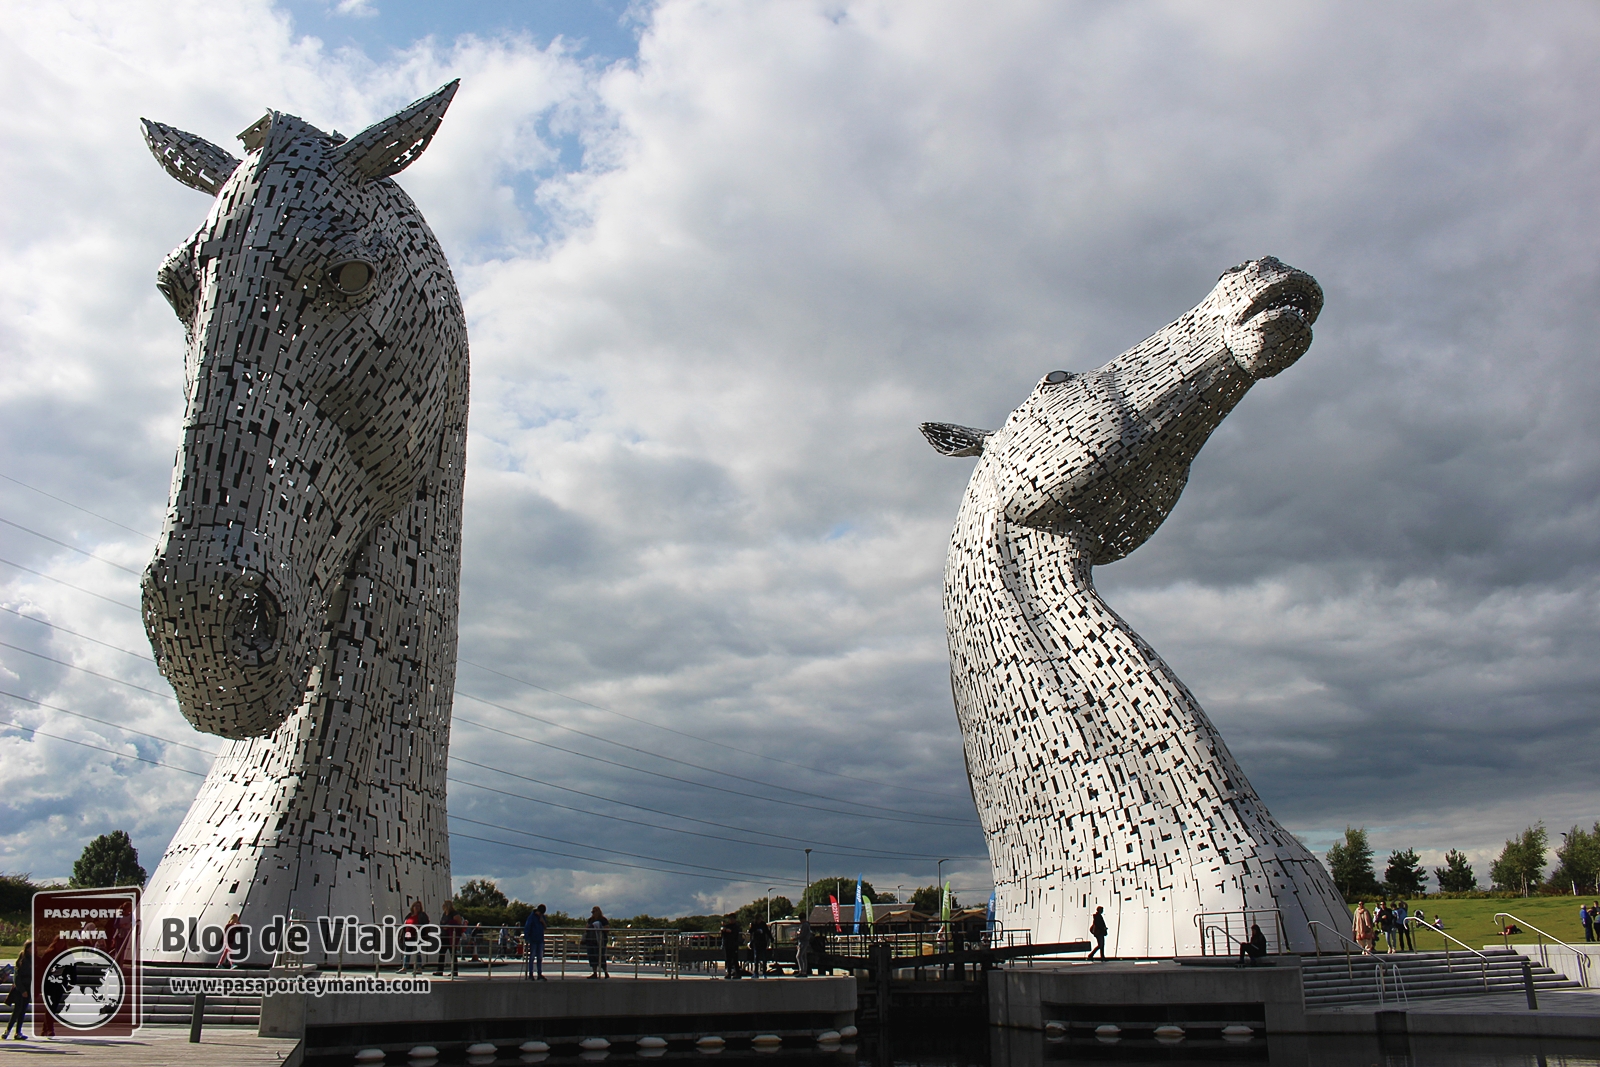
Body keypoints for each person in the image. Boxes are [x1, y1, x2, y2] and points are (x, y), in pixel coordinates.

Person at [2, 940, 29, 1040]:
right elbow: (17, 977)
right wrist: (22, 990)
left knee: (22, 1011)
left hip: (28, 988)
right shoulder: (22, 959)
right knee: (17, 1010)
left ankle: (18, 1032)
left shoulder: (35, 959)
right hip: (19, 989)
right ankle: (8, 1030)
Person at [436, 902, 467, 977]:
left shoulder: (454, 914)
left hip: (451, 937)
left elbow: (459, 924)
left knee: (453, 953)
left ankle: (454, 971)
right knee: (442, 953)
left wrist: (449, 926)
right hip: (444, 936)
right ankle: (439, 971)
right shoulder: (444, 914)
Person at [402, 899, 430, 974]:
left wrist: (420, 928)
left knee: (417, 952)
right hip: (408, 935)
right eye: (415, 906)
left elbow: (426, 923)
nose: (417, 907)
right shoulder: (409, 915)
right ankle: (404, 967)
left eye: (419, 906)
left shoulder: (422, 915)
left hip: (417, 935)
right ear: (413, 907)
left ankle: (419, 968)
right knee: (407, 952)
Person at [583, 907, 610, 979]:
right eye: (592, 912)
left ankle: (605, 972)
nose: (593, 913)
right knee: (592, 956)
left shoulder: (603, 920)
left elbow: (607, 928)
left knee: (600, 956)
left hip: (600, 941)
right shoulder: (590, 920)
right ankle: (594, 972)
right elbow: (586, 928)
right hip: (591, 940)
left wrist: (599, 927)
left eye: (594, 912)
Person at [524, 904, 548, 981]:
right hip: (533, 940)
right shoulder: (531, 917)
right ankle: (531, 974)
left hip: (540, 939)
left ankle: (539, 973)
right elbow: (527, 927)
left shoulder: (542, 917)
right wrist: (527, 938)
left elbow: (545, 927)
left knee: (540, 957)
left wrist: (542, 921)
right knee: (532, 957)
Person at [720, 914, 744, 979]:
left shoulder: (736, 926)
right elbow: (723, 935)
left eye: (732, 919)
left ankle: (737, 973)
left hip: (734, 945)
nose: (731, 920)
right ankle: (729, 973)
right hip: (727, 944)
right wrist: (723, 930)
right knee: (728, 959)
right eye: (730, 919)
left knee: (735, 960)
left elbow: (735, 933)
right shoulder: (727, 926)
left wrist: (729, 931)